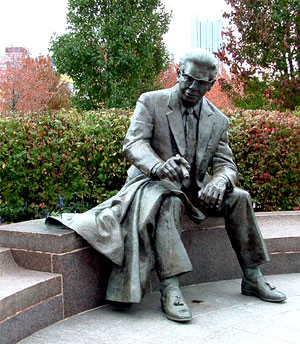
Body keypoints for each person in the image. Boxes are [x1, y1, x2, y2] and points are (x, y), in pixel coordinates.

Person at [46, 48, 286, 322]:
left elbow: (226, 165)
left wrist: (219, 182)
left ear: (211, 83)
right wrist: (159, 167)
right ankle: (170, 289)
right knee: (168, 201)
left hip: (196, 191)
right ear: (178, 72)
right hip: (153, 186)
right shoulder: (151, 102)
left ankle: (253, 276)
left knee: (240, 197)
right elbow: (133, 143)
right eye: (188, 78)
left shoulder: (218, 120)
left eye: (201, 82)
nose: (192, 87)